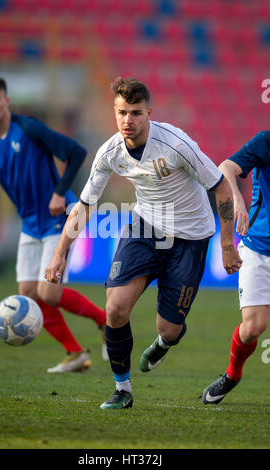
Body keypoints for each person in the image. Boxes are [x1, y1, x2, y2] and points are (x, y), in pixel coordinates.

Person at [45, 76, 242, 409]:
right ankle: (123, 389)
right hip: (146, 227)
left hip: (191, 238)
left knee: (169, 328)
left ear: (149, 112)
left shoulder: (177, 145)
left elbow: (221, 188)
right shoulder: (109, 152)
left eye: (136, 113)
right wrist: (59, 253)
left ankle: (166, 341)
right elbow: (85, 204)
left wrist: (226, 244)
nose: (128, 120)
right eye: (122, 112)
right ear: (114, 111)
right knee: (115, 307)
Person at [0, 75, 108, 373]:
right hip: (30, 224)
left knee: (48, 294)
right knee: (28, 294)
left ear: (6, 101)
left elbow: (77, 153)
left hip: (61, 217)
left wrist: (59, 193)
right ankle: (75, 353)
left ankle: (106, 321)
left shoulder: (29, 129)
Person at [202, 131, 270, 404]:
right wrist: (237, 199)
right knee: (253, 327)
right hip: (259, 247)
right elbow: (226, 168)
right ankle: (232, 374)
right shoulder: (266, 141)